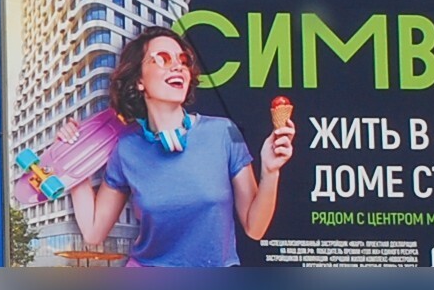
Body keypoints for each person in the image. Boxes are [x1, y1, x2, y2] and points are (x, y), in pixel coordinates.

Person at [68, 25, 292, 266]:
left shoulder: (226, 131)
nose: (178, 66)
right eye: (162, 59)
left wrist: (270, 171)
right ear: (139, 81)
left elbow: (255, 228)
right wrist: (71, 156)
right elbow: (93, 232)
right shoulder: (126, 149)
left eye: (183, 60)